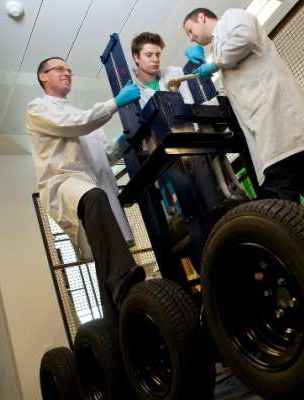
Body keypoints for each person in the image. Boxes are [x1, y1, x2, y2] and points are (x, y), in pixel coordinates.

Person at [182, 8, 304, 205]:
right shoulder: (218, 46)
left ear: (201, 17)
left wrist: (215, 63)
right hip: (269, 120)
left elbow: (243, 38)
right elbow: (238, 87)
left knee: (279, 185)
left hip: (275, 111)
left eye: (190, 30)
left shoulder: (231, 17)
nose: (191, 38)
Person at [26, 56, 146, 322]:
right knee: (92, 196)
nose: (67, 73)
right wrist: (115, 103)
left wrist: (123, 139)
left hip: (94, 188)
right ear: (43, 76)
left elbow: (106, 155)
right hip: (64, 184)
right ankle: (125, 278)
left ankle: (116, 326)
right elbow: (74, 123)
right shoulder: (39, 108)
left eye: (69, 69)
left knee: (107, 261)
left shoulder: (85, 119)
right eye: (59, 69)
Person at [130, 31, 194, 107]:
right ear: (136, 58)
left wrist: (194, 64)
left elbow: (190, 105)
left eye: (158, 55)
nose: (156, 59)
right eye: (149, 55)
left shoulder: (174, 72)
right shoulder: (133, 93)